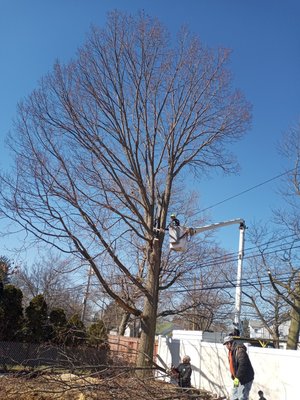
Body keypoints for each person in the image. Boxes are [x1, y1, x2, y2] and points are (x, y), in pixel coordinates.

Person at [223, 335, 254, 400]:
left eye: (226, 344)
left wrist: (237, 378)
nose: (226, 346)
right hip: (237, 379)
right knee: (234, 395)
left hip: (245, 379)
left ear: (229, 343)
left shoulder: (239, 351)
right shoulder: (231, 351)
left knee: (242, 397)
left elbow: (243, 365)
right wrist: (234, 377)